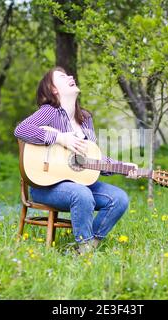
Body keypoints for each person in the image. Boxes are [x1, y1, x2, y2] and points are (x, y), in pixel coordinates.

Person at [14, 66, 140, 254]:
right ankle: (85, 246)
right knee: (81, 194)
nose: (70, 77)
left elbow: (92, 157)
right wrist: (61, 138)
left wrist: (122, 167)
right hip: (45, 186)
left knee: (119, 198)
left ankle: (86, 248)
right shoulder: (50, 112)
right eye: (63, 77)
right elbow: (21, 130)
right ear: (53, 89)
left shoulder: (85, 119)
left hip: (80, 184)